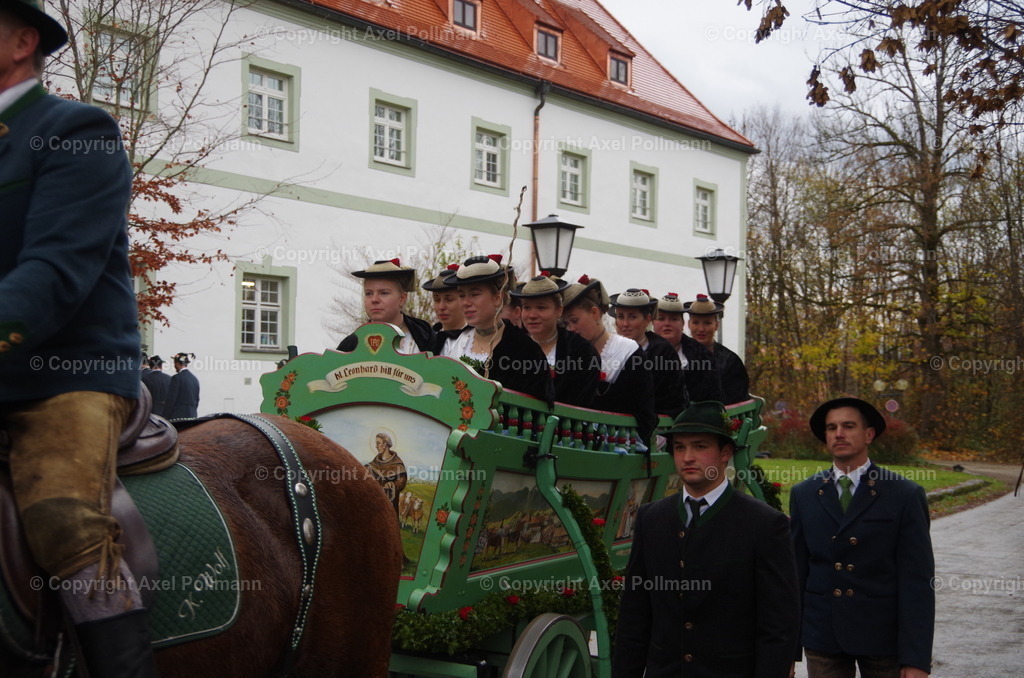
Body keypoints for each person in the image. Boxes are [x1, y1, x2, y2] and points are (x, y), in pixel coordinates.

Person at [0, 2, 156, 674]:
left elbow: (54, 272)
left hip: (66, 374)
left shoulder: (77, 131)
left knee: (62, 517)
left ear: (22, 42)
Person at [613, 401, 801, 677]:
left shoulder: (764, 524)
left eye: (700, 446)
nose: (687, 457)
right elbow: (635, 614)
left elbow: (779, 624)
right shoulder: (651, 519)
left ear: (725, 452)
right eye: (679, 448)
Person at [789, 397, 934, 678]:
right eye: (831, 428)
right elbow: (796, 575)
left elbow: (917, 582)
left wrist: (916, 659)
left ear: (869, 434)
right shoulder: (804, 494)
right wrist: (788, 652)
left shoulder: (903, 494)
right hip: (823, 635)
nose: (839, 434)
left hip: (882, 638)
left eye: (848, 426)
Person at [434, 255, 553, 401]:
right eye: (461, 295)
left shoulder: (525, 351)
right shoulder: (449, 343)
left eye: (474, 294)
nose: (466, 302)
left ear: (498, 298)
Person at [561, 275, 656, 445]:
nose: (571, 328)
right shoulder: (570, 354)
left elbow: (643, 412)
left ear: (595, 313)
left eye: (574, 321)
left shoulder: (627, 352)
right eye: (567, 324)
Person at [510, 274, 599, 407]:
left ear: (559, 310)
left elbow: (580, 401)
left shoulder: (581, 351)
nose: (532, 315)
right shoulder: (512, 346)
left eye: (541, 307)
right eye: (527, 307)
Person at [609, 288, 685, 417]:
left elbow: (672, 401)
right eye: (620, 317)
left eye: (632, 317)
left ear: (647, 319)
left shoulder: (663, 353)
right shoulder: (608, 349)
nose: (625, 324)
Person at [337, 258, 435, 354]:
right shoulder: (350, 346)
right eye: (368, 293)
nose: (374, 300)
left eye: (384, 293)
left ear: (402, 298)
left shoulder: (426, 337)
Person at [652, 292, 724, 406]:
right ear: (653, 323)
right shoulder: (642, 352)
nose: (667, 324)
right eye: (661, 319)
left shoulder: (702, 355)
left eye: (674, 319)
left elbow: (712, 398)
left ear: (683, 324)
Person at [684, 293, 750, 404]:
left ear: (716, 325)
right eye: (696, 322)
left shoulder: (731, 361)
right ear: (689, 324)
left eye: (707, 323)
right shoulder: (678, 355)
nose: (701, 329)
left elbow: (736, 399)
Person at [364, 432, 407, 516]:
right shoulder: (374, 463)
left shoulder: (397, 463)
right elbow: (368, 473)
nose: (376, 446)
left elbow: (401, 481)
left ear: (384, 445)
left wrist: (392, 484)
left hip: (390, 503)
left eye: (378, 443)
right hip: (375, 501)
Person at [421, 263, 466, 332]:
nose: (441, 307)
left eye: (449, 299)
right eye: (437, 300)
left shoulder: (476, 336)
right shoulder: (427, 337)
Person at [165, 351, 200, 419]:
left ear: (177, 363)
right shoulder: (195, 379)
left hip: (178, 416)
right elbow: (197, 400)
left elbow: (171, 399)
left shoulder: (176, 378)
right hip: (192, 416)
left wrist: (165, 416)